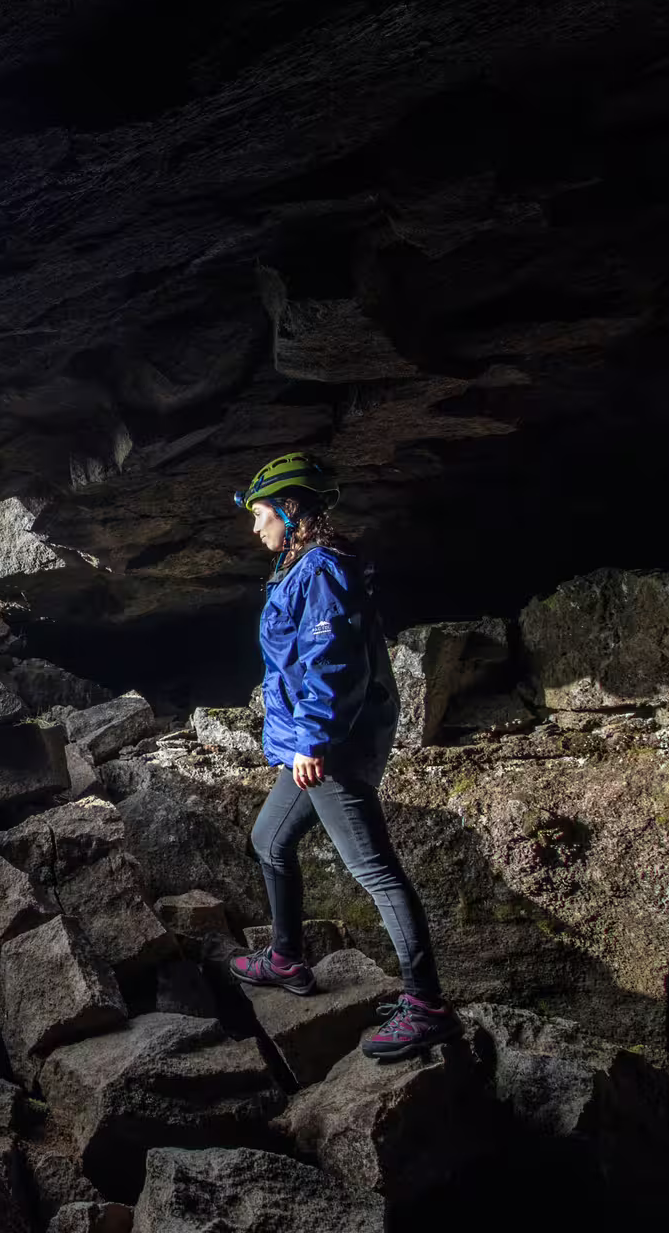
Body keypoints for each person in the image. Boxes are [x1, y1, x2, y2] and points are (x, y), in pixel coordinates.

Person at [226, 452, 461, 1060]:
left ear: (290, 508)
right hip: (315, 745)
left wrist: (312, 741)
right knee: (269, 841)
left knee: (374, 870)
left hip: (330, 749)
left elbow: (334, 665)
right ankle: (285, 958)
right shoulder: (299, 566)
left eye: (261, 515)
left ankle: (427, 1005)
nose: (256, 528)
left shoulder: (322, 569)